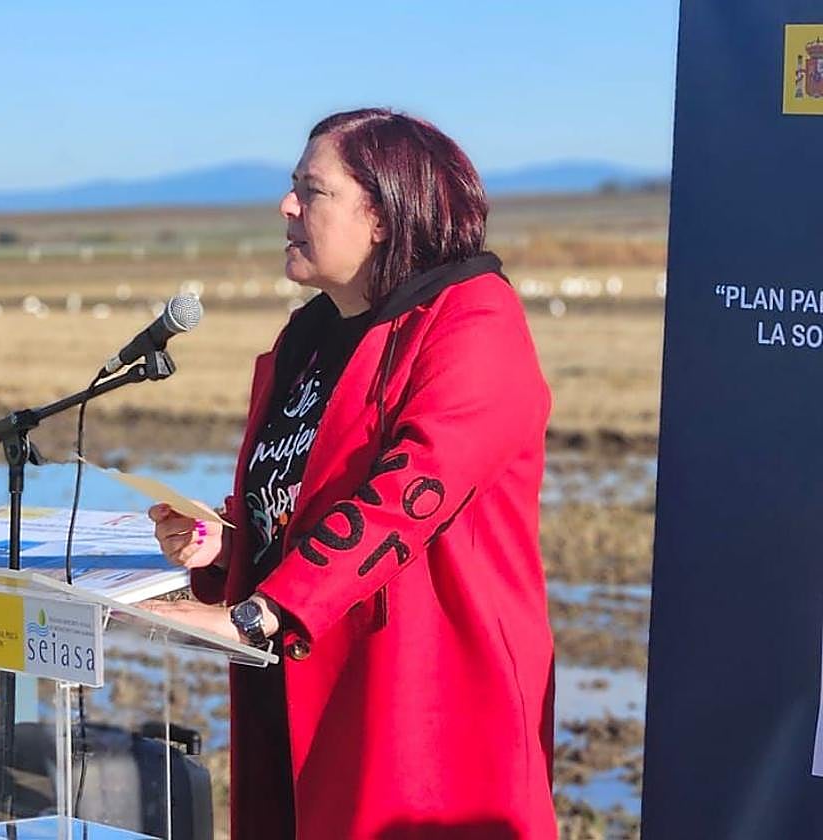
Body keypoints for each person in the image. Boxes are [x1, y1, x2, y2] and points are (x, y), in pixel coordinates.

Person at [145, 108, 556, 840]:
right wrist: (226, 550)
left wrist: (254, 612)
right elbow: (296, 502)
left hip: (422, 710)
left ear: (384, 214)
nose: (287, 207)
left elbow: (407, 496)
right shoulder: (310, 335)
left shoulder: (473, 320)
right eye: (291, 188)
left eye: (312, 190)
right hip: (300, 690)